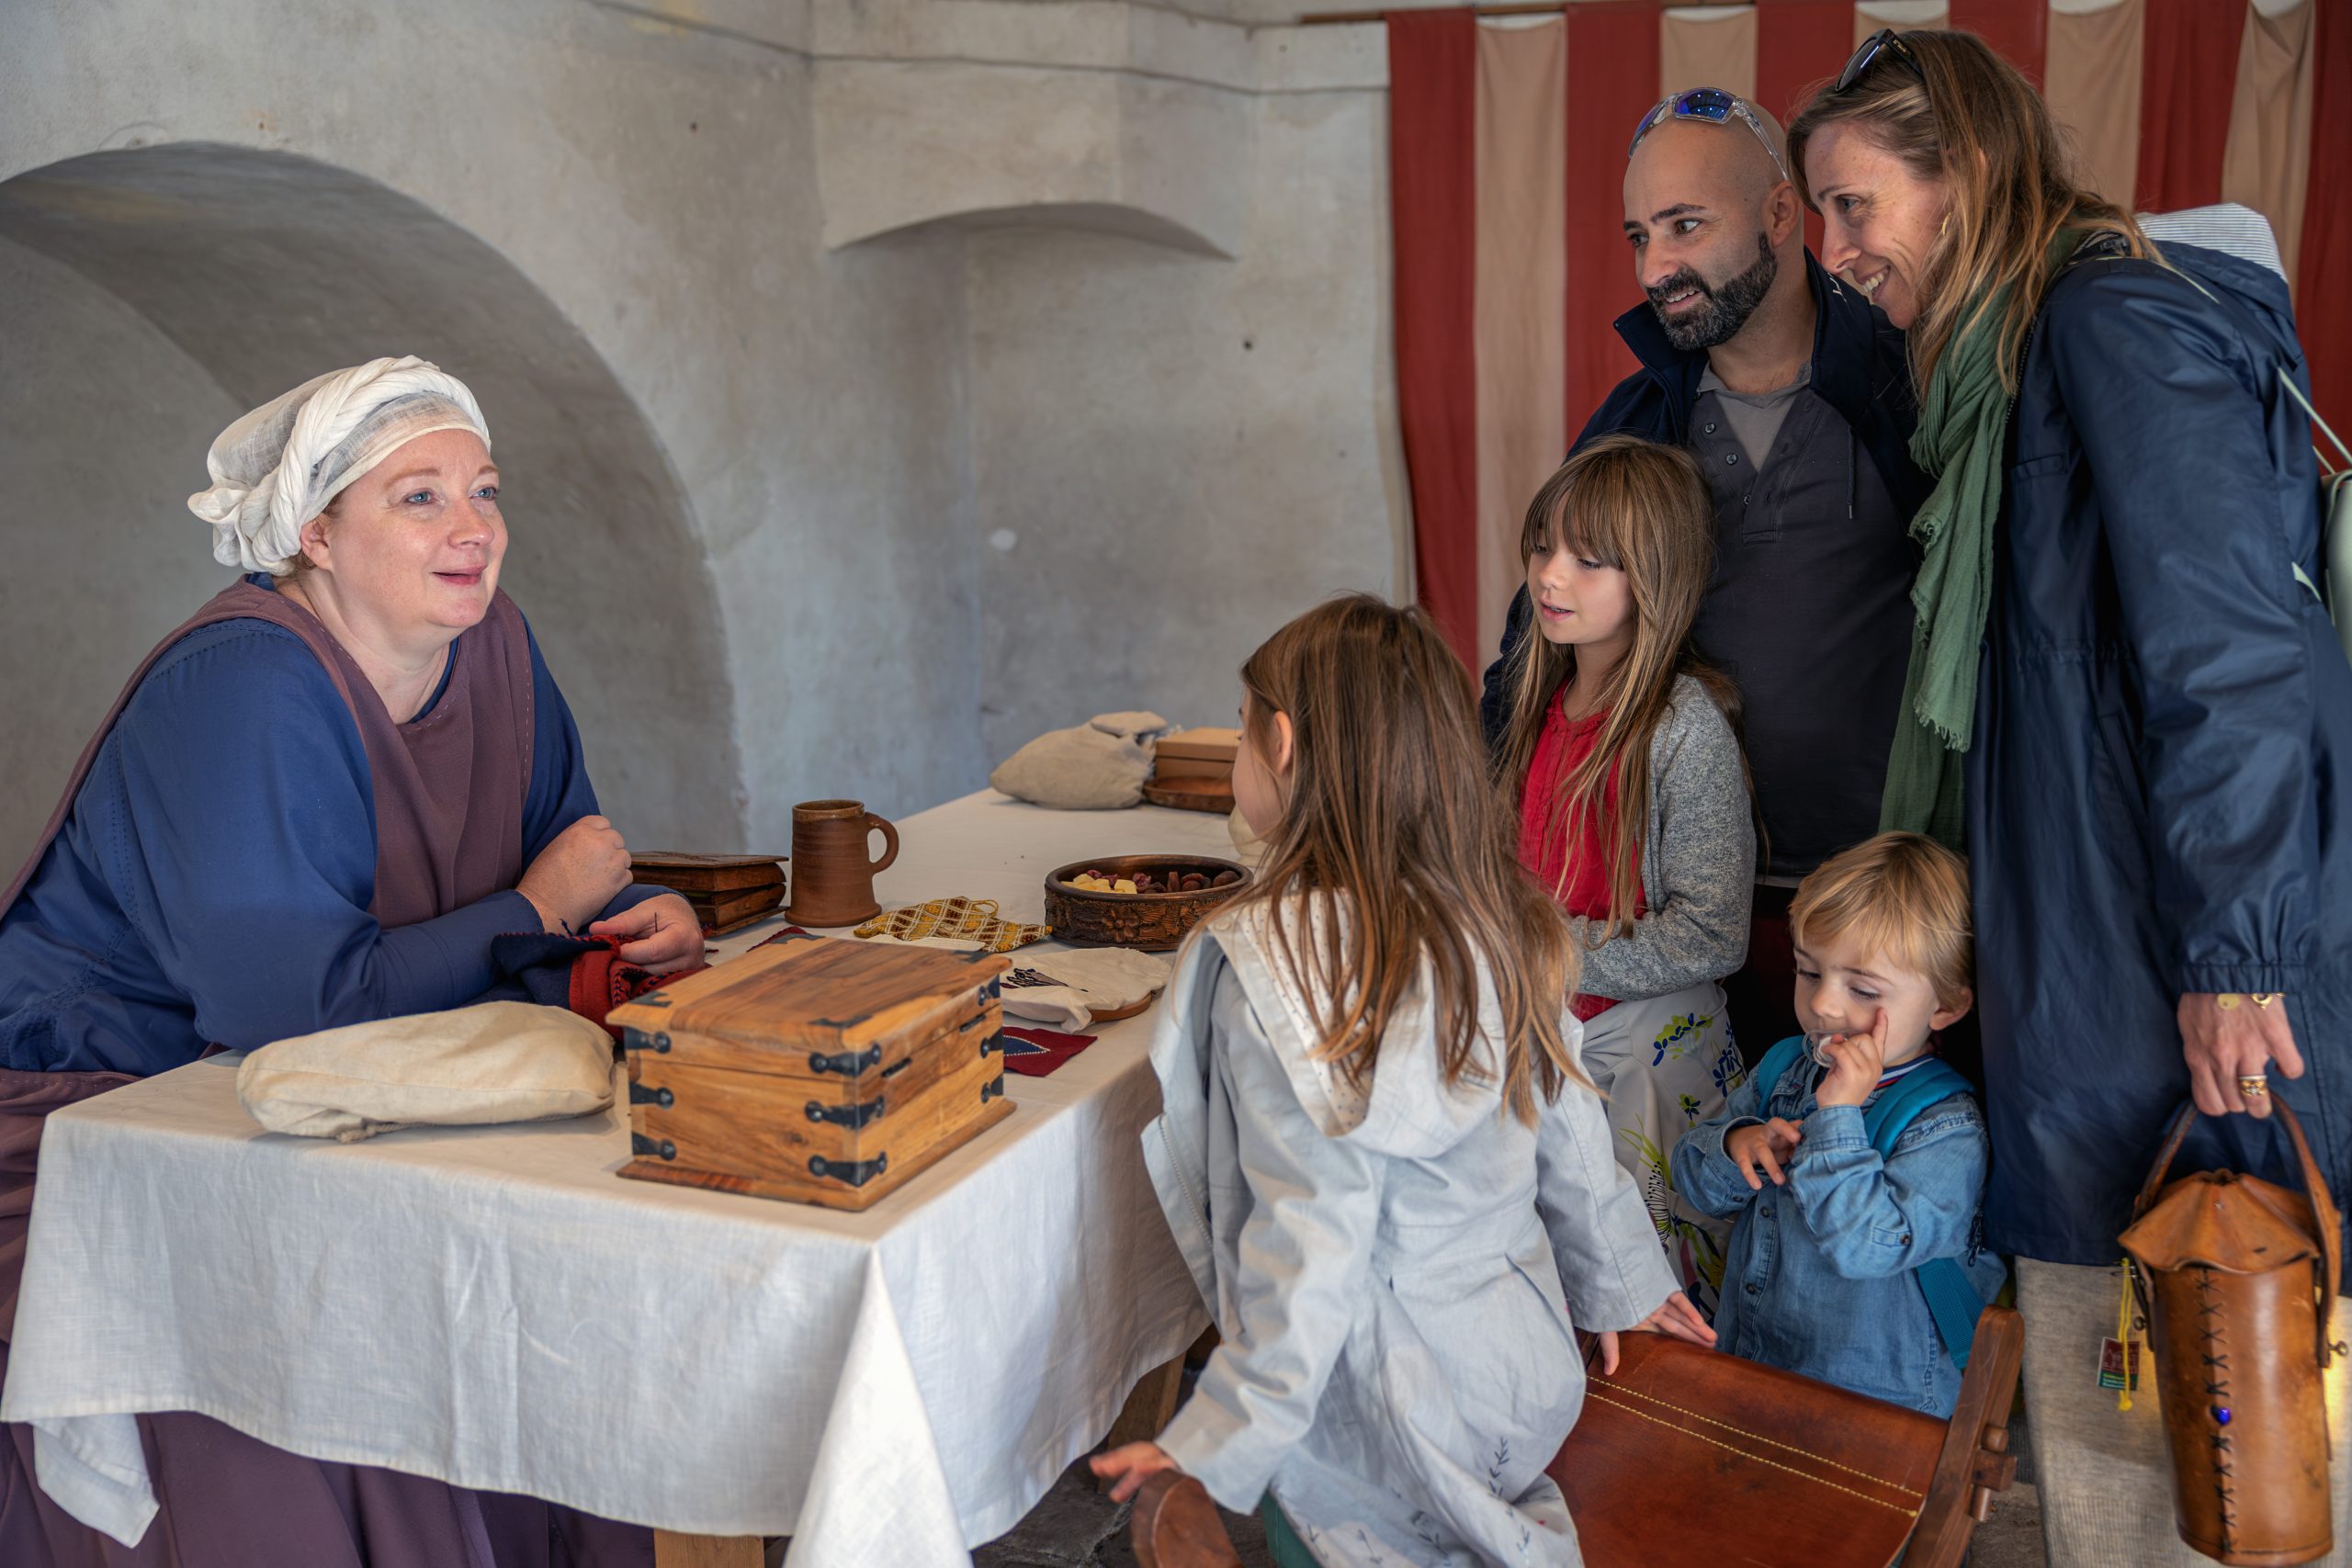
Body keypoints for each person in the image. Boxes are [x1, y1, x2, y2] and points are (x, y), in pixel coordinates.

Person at [1792, 27, 2352, 1561]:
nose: (1835, 255)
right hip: (2107, 998)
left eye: (1854, 207)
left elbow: (2230, 655)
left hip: (2182, 1010)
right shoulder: (2008, 369)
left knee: (2222, 1482)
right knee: (2135, 1474)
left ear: (1963, 176)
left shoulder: (2109, 322)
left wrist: (2238, 953)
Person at [0, 356, 699, 1566]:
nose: (472, 527)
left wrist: (634, 918)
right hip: (117, 1106)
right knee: (327, 1352)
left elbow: (560, 860)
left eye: (485, 490)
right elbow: (293, 1008)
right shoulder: (241, 683)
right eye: (418, 496)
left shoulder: (500, 650)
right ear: (317, 531)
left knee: (554, 1286)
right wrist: (544, 899)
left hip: (362, 1081)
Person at [1091, 595, 1713, 1567]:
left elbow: (1311, 1233)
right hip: (1518, 1371)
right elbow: (1570, 1122)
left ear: (1282, 744)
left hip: (1370, 1409)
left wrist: (1219, 1436)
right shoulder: (1500, 918)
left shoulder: (1270, 971)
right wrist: (1625, 1284)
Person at [1480, 88, 1928, 1064]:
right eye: (1640, 235)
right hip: (1660, 911)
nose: (1654, 268)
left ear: (1779, 213)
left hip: (1874, 917)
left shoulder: (1909, 384)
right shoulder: (1636, 416)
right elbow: (1532, 651)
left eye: (1686, 226)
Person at [1496, 435, 1753, 1314]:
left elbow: (1716, 930)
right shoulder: (1532, 707)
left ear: (1654, 577)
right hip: (1541, 1042)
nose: (1549, 576)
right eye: (1542, 546)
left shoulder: (1683, 726)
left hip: (1647, 1066)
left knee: (1653, 1300)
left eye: (1587, 558)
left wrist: (1545, 952)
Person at [1670, 832, 2001, 1416]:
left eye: (1862, 988)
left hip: (1875, 1394)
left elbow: (1865, 1249)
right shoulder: (1785, 1067)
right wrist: (1736, 1144)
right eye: (1807, 972)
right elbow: (1694, 1180)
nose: (1822, 1004)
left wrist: (1841, 1115)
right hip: (1757, 1355)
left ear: (1946, 1007)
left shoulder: (1947, 1127)